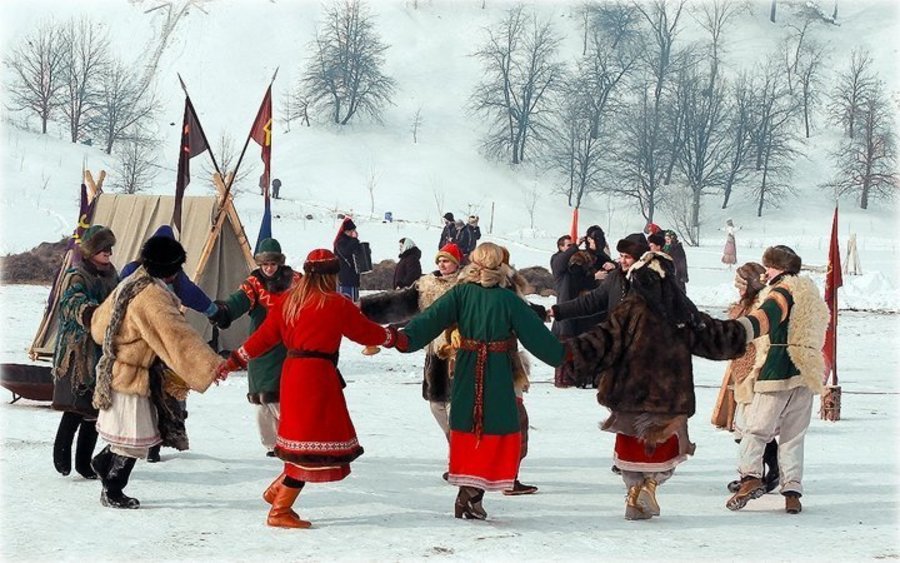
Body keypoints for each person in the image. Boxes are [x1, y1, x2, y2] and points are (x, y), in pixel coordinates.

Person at [214, 249, 402, 529]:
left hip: (292, 375)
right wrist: (394, 337)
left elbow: (261, 339)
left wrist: (233, 361)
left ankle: (276, 491)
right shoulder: (336, 304)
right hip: (317, 378)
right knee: (310, 449)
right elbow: (366, 332)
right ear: (331, 275)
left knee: (301, 440)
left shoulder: (287, 302)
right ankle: (280, 510)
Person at [563, 251, 751, 520]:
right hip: (668, 398)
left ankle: (633, 493)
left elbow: (603, 339)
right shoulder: (682, 313)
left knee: (631, 450)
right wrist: (745, 329)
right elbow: (713, 337)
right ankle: (650, 486)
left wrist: (570, 352)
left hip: (629, 395)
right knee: (661, 450)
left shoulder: (629, 309)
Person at [391, 242, 566, 520]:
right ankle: (470, 496)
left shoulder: (460, 293)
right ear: (500, 266)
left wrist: (401, 338)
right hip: (497, 371)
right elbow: (538, 337)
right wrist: (568, 356)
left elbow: (429, 320)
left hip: (467, 368)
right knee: (495, 428)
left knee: (469, 426)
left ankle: (469, 495)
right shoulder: (508, 299)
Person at [89, 235, 224, 509]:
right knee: (134, 439)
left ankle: (104, 462)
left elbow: (99, 323)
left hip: (119, 371)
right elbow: (178, 336)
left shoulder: (132, 281)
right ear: (171, 269)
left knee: (131, 434)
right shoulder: (152, 297)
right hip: (132, 377)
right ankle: (113, 489)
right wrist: (211, 366)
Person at [726, 245, 828, 515]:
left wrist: (740, 329)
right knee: (794, 437)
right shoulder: (811, 292)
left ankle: (750, 478)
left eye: (768, 267)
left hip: (777, 371)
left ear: (778, 268)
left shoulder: (781, 291)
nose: (765, 272)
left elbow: (767, 316)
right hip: (805, 371)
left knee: (756, 430)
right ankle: (792, 492)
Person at [120, 224, 228, 462]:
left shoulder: (172, 275)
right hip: (140, 343)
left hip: (159, 343)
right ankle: (138, 446)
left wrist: (213, 311)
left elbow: (191, 293)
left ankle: (154, 445)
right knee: (147, 395)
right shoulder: (135, 273)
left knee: (163, 392)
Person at [360, 242, 464, 444]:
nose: (442, 265)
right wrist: (365, 307)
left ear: (456, 263)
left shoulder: (466, 285)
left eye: (447, 261)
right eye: (440, 261)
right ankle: (454, 441)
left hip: (457, 350)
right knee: (436, 404)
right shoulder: (426, 284)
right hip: (433, 348)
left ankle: (459, 451)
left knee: (457, 406)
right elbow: (399, 302)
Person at [212, 238, 301, 457]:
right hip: (260, 347)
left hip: (289, 345)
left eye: (272, 264)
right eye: (265, 264)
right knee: (262, 401)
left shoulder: (296, 281)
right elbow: (238, 302)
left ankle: (290, 439)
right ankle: (271, 444)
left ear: (279, 263)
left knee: (286, 398)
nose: (269, 268)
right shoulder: (253, 284)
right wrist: (223, 311)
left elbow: (311, 300)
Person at [51, 225, 119, 479]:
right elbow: (71, 302)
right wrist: (90, 313)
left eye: (110, 249)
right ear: (91, 252)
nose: (108, 254)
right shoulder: (77, 275)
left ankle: (84, 462)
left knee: (95, 407)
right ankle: (61, 454)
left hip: (103, 348)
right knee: (76, 405)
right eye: (103, 249)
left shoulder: (113, 275)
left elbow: (119, 298)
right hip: (78, 348)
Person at [710, 262, 780, 495]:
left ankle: (765, 473)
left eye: (741, 285)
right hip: (742, 370)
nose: (738, 289)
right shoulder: (744, 305)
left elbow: (761, 341)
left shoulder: (762, 305)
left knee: (753, 429)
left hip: (756, 372)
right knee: (743, 430)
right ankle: (754, 473)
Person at [333, 217, 361, 302]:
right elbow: (346, 251)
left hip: (352, 277)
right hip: (345, 277)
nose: (352, 233)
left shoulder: (352, 241)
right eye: (350, 231)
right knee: (346, 300)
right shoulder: (340, 242)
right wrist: (354, 240)